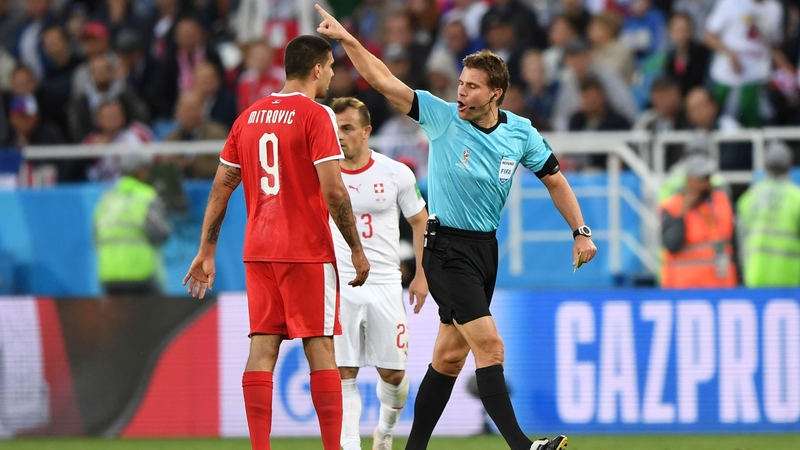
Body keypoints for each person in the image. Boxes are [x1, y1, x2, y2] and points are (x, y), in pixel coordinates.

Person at [317, 6, 596, 450]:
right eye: (461, 84)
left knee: (449, 357)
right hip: (444, 248)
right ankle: (524, 447)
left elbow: (555, 179)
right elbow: (385, 81)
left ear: (496, 94)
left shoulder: (520, 133)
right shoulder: (441, 116)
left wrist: (580, 230)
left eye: (471, 87)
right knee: (491, 346)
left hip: (486, 251)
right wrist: (348, 41)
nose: (461, 93)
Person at [182, 35, 369, 450]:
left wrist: (206, 250)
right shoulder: (316, 114)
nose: (334, 76)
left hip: (259, 249)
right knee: (320, 345)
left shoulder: (247, 117)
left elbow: (219, 189)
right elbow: (335, 192)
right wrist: (355, 247)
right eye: (332, 68)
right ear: (318, 69)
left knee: (262, 346)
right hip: (306, 249)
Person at [330, 97, 429, 450]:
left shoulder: (396, 172)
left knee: (394, 374)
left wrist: (421, 274)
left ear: (366, 131)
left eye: (347, 128)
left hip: (386, 283)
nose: (339, 136)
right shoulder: (322, 174)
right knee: (344, 371)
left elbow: (421, 222)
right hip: (340, 283)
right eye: (335, 128)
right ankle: (350, 444)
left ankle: (384, 433)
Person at [94, 152, 171, 295]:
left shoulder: (106, 199)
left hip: (110, 275)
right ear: (141, 171)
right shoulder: (146, 196)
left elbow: (95, 238)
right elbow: (162, 233)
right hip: (142, 275)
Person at [660, 154, 738, 288]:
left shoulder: (721, 201)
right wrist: (683, 212)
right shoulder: (673, 206)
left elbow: (733, 245)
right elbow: (672, 244)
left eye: (708, 178)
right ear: (689, 180)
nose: (706, 183)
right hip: (685, 289)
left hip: (721, 287)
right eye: (701, 179)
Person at [736, 141, 800, 287]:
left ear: (765, 165)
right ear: (789, 166)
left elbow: (740, 241)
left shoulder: (748, 198)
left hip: (755, 275)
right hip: (789, 279)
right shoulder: (797, 198)